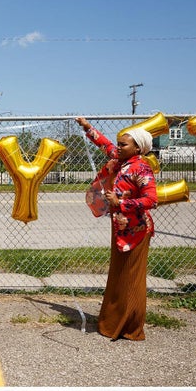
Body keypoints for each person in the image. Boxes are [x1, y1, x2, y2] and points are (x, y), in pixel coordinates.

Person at [75, 117, 158, 341]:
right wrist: (87, 127)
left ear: (138, 148)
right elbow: (105, 144)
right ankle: (112, 323)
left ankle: (130, 328)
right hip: (121, 229)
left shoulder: (142, 168)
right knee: (118, 276)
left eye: (123, 144)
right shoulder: (120, 160)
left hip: (137, 231)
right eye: (119, 144)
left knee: (132, 279)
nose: (118, 147)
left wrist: (121, 203)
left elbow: (151, 200)